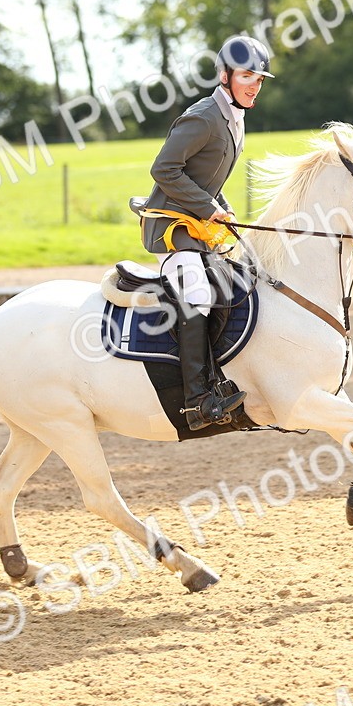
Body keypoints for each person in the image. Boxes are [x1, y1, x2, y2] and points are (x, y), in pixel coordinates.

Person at [139, 35, 274, 430]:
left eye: (260, 78)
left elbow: (204, 174)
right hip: (172, 228)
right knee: (196, 291)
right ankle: (197, 401)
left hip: (199, 225)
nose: (254, 85)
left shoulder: (235, 117)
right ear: (224, 75)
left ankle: (220, 374)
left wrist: (222, 204)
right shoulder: (204, 116)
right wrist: (208, 207)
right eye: (247, 75)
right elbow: (164, 169)